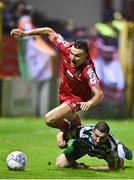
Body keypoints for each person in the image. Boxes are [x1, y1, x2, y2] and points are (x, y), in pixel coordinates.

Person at [10, 27, 103, 146]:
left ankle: (68, 128)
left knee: (49, 119)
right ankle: (74, 126)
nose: (72, 58)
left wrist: (89, 103)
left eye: (78, 56)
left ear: (86, 57)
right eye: (72, 54)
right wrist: (25, 33)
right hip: (63, 94)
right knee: (64, 142)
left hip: (77, 99)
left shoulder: (88, 70)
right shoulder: (66, 48)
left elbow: (99, 94)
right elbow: (49, 31)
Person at [56, 121, 133, 171]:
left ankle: (120, 146)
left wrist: (89, 168)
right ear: (93, 131)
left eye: (102, 138)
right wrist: (60, 141)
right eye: (96, 135)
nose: (98, 140)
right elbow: (62, 134)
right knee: (60, 163)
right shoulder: (83, 131)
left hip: (103, 152)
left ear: (107, 136)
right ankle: (75, 164)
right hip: (83, 147)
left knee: (119, 165)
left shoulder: (111, 147)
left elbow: (113, 167)